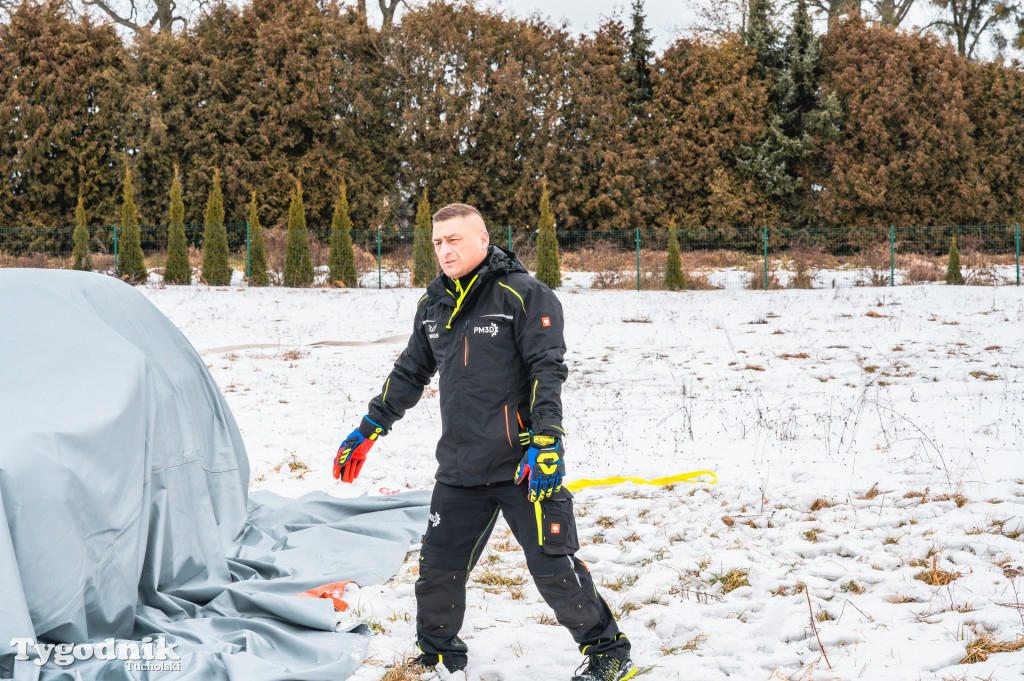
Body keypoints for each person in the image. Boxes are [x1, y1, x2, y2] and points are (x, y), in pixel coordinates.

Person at [333, 203, 635, 681]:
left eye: (454, 239)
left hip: (523, 464)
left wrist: (547, 441)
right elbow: (411, 371)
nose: (444, 250)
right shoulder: (434, 304)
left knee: (554, 567)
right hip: (460, 466)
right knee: (437, 570)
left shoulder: (524, 295)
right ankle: (438, 653)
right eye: (437, 242)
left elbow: (547, 370)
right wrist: (371, 426)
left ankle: (607, 650)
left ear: (482, 239)